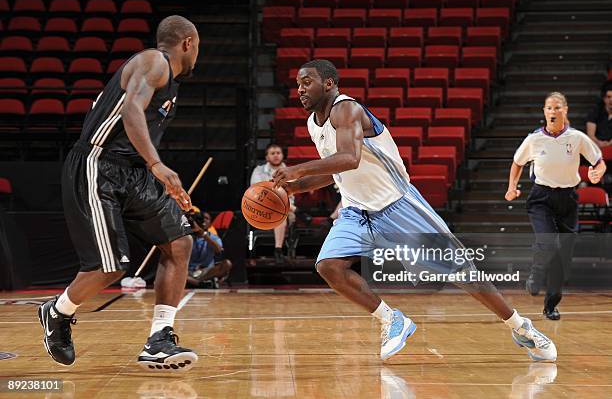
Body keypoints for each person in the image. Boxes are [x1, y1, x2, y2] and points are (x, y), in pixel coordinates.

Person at [272, 59, 558, 362]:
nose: (300, 90)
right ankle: (391, 319)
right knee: (328, 266)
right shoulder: (312, 123)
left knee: (463, 272)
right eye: (298, 84)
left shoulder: (346, 110)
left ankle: (520, 327)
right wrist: (295, 188)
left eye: (307, 82)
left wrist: (298, 170)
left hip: (397, 206)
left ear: (329, 83)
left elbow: (349, 158)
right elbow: (337, 171)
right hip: (358, 211)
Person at [38, 15, 201, 372]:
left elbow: (137, 136)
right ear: (188, 43)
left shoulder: (170, 82)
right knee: (108, 267)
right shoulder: (154, 61)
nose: (197, 53)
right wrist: (158, 166)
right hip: (98, 165)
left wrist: (162, 180)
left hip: (134, 173)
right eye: (198, 46)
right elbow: (130, 110)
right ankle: (57, 312)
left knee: (179, 243)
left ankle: (159, 338)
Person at [506, 92, 605, 320]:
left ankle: (551, 305)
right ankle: (536, 274)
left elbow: (598, 162)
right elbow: (517, 162)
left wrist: (597, 173)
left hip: (568, 199)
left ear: (565, 110)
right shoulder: (533, 139)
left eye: (557, 107)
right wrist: (512, 186)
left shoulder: (577, 137)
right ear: (544, 112)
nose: (553, 112)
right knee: (547, 240)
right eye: (549, 108)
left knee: (564, 255)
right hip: (541, 198)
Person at [250, 143, 296, 263]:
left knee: (284, 215)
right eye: (272, 153)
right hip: (262, 206)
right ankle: (279, 250)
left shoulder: (290, 171)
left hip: (286, 208)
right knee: (280, 213)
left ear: (282, 155)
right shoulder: (258, 171)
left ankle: (279, 250)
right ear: (267, 157)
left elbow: (292, 192)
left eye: (278, 153)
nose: (276, 155)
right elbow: (256, 192)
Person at [186, 209, 232, 287]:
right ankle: (200, 283)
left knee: (227, 264)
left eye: (207, 218)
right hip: (188, 271)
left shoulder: (214, 237)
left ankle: (195, 282)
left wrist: (203, 234)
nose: (204, 220)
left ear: (210, 224)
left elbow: (218, 250)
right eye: (201, 218)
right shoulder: (188, 237)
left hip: (206, 271)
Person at [586, 81, 612, 149]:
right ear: (604, 98)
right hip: (596, 145)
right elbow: (591, 135)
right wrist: (598, 143)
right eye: (608, 97)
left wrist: (609, 144)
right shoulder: (595, 111)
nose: (611, 100)